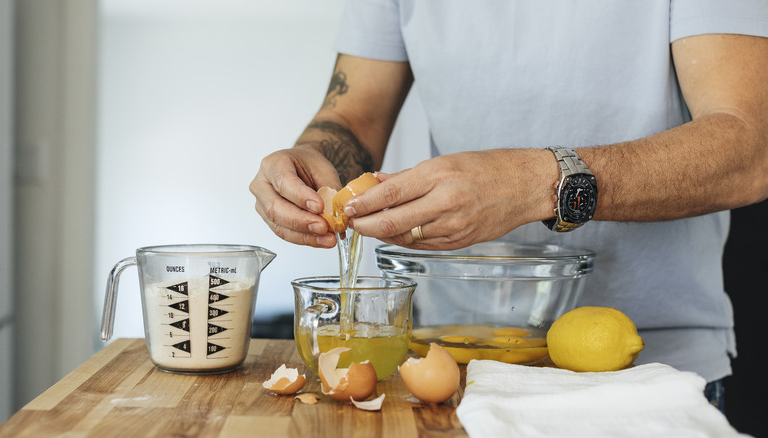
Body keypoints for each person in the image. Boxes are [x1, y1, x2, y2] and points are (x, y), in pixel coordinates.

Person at [250, 1, 768, 411]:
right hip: (454, 363)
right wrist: (312, 156)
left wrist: (539, 182)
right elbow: (352, 115)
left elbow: (752, 149)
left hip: (652, 372)